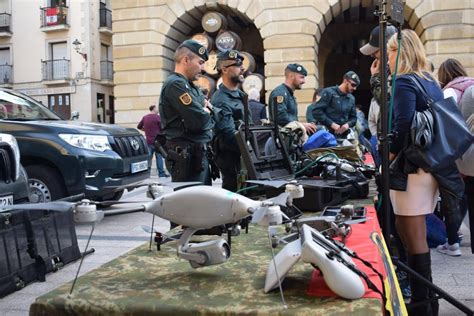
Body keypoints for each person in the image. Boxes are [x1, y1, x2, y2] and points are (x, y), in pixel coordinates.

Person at [387, 29, 464, 315]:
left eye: (391, 51)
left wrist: (386, 158)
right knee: (409, 232)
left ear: (401, 52)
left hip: (412, 169)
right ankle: (427, 301)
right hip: (429, 168)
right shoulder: (429, 80)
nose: (388, 57)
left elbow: (403, 125)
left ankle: (422, 305)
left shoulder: (404, 81)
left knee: (412, 233)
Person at [159, 39, 218, 185]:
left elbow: (213, 112)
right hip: (186, 157)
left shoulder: (190, 86)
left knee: (202, 202)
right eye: (200, 62)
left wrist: (206, 111)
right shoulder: (176, 84)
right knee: (191, 204)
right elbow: (199, 120)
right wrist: (205, 110)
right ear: (186, 60)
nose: (203, 68)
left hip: (198, 154)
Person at [437, 58, 474, 256]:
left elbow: (445, 125)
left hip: (459, 154)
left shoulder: (449, 91)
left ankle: (452, 242)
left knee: (452, 198)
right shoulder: (471, 84)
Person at [211, 49, 247, 192]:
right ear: (224, 69)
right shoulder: (220, 99)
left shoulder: (240, 94)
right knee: (233, 194)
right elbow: (228, 135)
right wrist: (249, 148)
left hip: (244, 154)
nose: (242, 68)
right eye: (237, 64)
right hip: (231, 157)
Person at [268, 63, 316, 135]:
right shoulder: (280, 93)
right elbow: (281, 118)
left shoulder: (289, 93)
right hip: (281, 139)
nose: (304, 81)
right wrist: (301, 125)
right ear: (291, 76)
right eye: (301, 77)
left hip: (290, 137)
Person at [312, 71, 359, 138]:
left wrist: (347, 125)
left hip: (343, 135)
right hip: (326, 134)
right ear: (345, 81)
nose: (354, 88)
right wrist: (332, 124)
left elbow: (353, 118)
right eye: (353, 85)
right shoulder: (328, 92)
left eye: (356, 86)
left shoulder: (351, 98)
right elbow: (316, 111)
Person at [137, 105, 169, 178]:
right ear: (154, 109)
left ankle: (147, 174)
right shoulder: (157, 117)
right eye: (157, 108)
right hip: (158, 142)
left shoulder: (145, 117)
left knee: (148, 158)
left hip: (148, 141)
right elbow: (162, 128)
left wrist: (145, 130)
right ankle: (161, 174)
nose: (158, 110)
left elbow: (139, 126)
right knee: (159, 158)